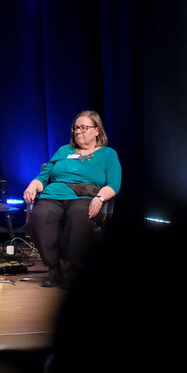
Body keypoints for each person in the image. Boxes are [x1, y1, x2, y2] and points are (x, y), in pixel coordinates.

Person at [22, 110, 121, 287]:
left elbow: (113, 184)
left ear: (97, 131)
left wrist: (99, 198)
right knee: (40, 216)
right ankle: (54, 268)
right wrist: (32, 185)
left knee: (78, 215)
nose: (78, 132)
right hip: (54, 195)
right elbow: (43, 177)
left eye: (84, 128)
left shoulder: (108, 154)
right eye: (76, 128)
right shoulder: (63, 151)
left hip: (86, 197)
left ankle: (72, 268)